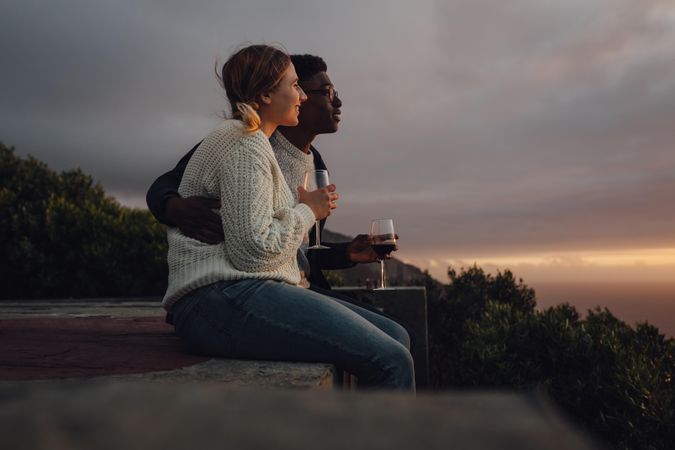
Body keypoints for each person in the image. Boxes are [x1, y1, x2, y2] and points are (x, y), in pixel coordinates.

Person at [162, 44, 415, 390]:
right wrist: (308, 210)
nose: (300, 96)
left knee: (396, 336)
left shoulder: (255, 143)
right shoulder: (244, 144)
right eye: (294, 86)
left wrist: (327, 243)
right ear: (266, 94)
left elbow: (265, 241)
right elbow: (252, 252)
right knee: (391, 360)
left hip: (235, 291)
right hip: (220, 298)